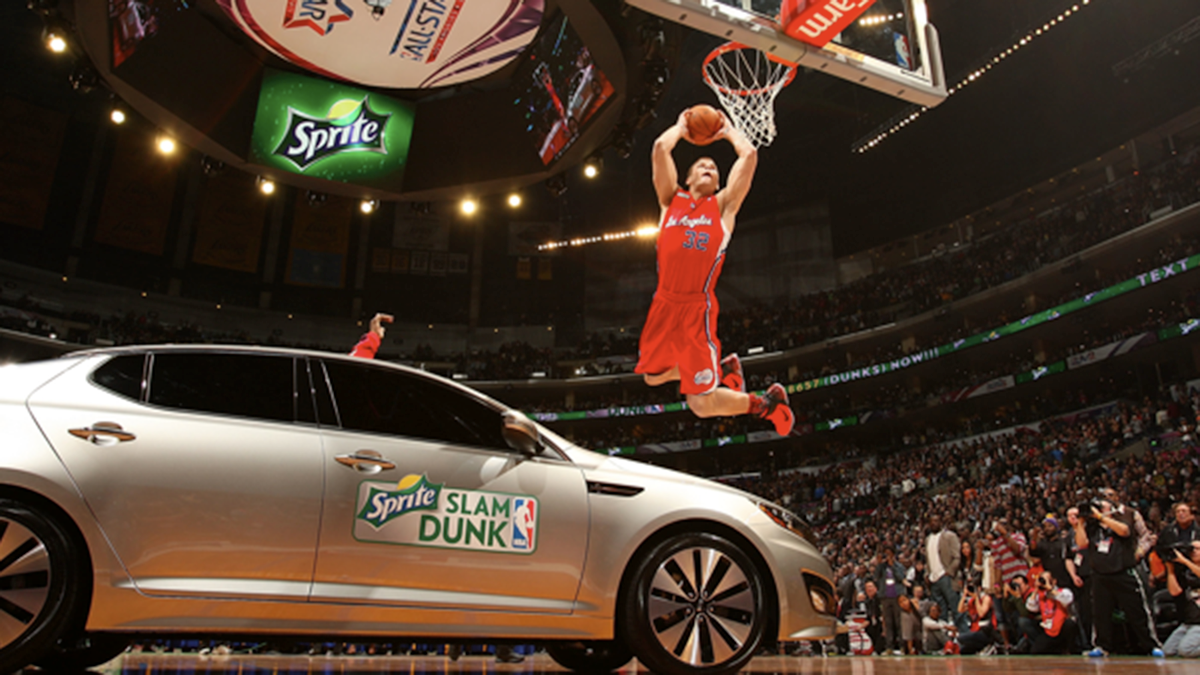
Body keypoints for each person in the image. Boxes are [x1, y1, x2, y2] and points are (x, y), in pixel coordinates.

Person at [636, 107, 793, 436]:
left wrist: (727, 131)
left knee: (700, 405)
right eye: (701, 166)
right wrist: (681, 127)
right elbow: (660, 149)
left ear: (720, 182)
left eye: (713, 167)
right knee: (652, 377)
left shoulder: (722, 208)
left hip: (696, 309)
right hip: (663, 303)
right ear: (688, 178)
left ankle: (767, 403)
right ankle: (720, 368)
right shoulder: (670, 202)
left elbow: (749, 155)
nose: (708, 167)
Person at [1076, 493, 1164, 657]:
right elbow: (1081, 543)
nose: (1097, 509)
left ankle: (1151, 645)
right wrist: (1081, 522)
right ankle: (1102, 646)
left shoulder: (1123, 517)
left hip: (1123, 572)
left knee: (1137, 611)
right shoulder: (1092, 525)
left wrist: (1101, 516)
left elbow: (1125, 531)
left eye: (1102, 506)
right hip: (1100, 574)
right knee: (1100, 613)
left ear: (1110, 508)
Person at [1022, 571, 1077, 655]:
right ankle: (1056, 650)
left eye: (1047, 579)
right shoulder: (1041, 595)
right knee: (1035, 651)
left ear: (1054, 581)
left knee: (1070, 624)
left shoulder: (1063, 591)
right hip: (1049, 630)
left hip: (1062, 630)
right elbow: (1030, 607)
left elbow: (1067, 600)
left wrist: (1051, 589)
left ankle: (1070, 650)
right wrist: (1036, 590)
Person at [1164, 540, 1200, 657]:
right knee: (1168, 651)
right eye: (1192, 549)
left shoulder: (1188, 565)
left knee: (1186, 651)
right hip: (1189, 622)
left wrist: (1185, 561)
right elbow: (1175, 592)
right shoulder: (1185, 572)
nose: (1194, 551)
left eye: (1198, 549)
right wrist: (1170, 571)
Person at [925, 515, 962, 624]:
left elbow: (957, 557)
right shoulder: (928, 539)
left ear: (941, 522)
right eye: (931, 521)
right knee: (940, 612)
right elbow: (929, 559)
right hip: (933, 579)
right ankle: (944, 632)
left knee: (956, 608)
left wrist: (949, 572)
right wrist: (928, 574)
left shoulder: (950, 536)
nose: (933, 523)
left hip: (946, 577)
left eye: (936, 521)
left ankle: (963, 631)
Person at [874, 545, 906, 655]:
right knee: (888, 623)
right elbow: (876, 577)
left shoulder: (899, 566)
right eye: (885, 554)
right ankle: (889, 647)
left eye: (889, 554)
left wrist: (893, 566)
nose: (887, 556)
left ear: (893, 554)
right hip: (885, 597)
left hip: (897, 596)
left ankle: (902, 646)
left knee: (899, 622)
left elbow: (901, 578)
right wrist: (879, 564)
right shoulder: (882, 567)